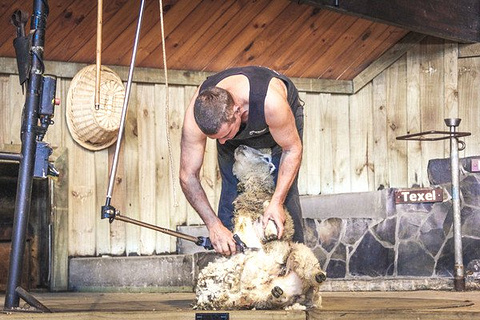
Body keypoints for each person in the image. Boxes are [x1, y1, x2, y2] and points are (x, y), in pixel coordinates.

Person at [180, 66, 304, 255]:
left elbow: (292, 149)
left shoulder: (271, 102)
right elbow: (187, 176)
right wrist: (213, 226)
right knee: (231, 194)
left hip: (277, 130)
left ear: (237, 111)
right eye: (216, 139)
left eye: (224, 134)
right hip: (236, 131)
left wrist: (276, 203)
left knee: (284, 199)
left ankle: (293, 271)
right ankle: (233, 266)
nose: (221, 142)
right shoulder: (196, 119)